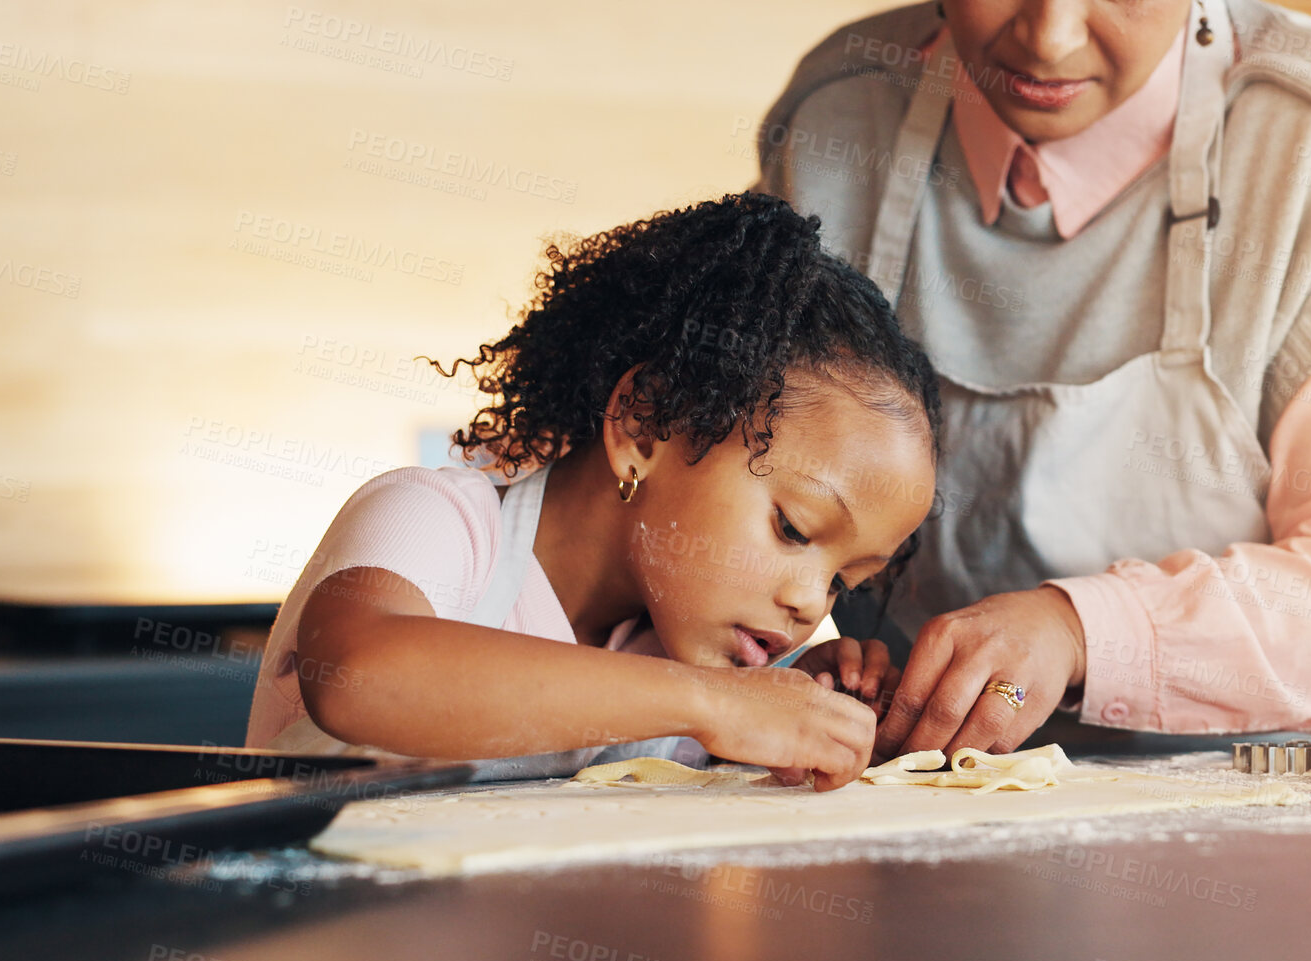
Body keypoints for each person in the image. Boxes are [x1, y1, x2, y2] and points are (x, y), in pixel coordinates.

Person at [752, 0, 1311, 761]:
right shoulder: (838, 111)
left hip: (1295, 804)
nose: (1050, 38)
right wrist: (806, 652)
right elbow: (737, 491)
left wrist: (1078, 633)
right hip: (912, 799)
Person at [243, 193, 942, 791]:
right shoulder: (441, 522)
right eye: (794, 529)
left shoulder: (682, 649)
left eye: (843, 584)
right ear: (645, 424)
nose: (808, 603)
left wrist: (791, 724)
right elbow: (360, 675)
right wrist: (717, 705)